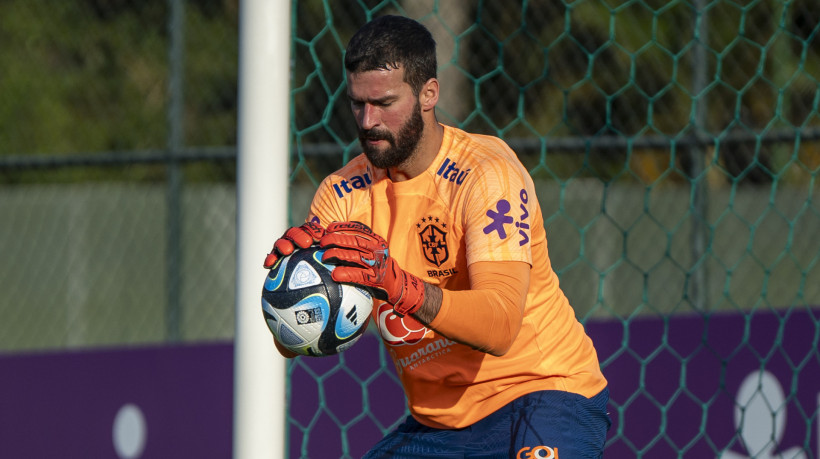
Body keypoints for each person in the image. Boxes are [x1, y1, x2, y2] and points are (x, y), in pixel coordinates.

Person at [264, 15, 611, 458]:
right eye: (357, 104)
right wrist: (289, 290)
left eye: (385, 103)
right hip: (438, 426)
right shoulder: (341, 194)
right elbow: (293, 341)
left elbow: (501, 323)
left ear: (429, 93)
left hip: (542, 393)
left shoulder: (485, 174)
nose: (368, 121)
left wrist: (397, 285)